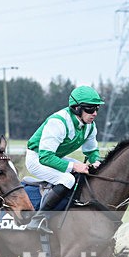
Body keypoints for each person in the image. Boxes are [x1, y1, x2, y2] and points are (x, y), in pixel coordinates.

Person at [24, 85, 103, 234]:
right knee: (68, 179)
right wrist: (73, 166)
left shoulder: (90, 126)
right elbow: (45, 157)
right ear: (77, 108)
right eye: (90, 109)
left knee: (85, 173)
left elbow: (92, 151)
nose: (95, 113)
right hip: (37, 159)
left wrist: (96, 161)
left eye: (97, 109)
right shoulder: (58, 122)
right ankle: (39, 218)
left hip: (55, 157)